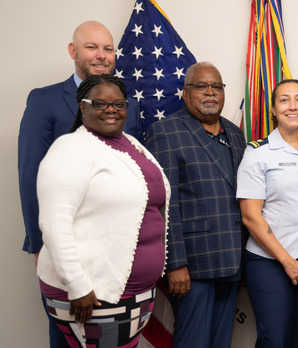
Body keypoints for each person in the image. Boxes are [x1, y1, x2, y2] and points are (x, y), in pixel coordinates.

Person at [18, 21, 143, 347]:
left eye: (108, 48)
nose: (101, 56)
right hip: (67, 243)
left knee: (114, 337)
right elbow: (30, 173)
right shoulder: (45, 101)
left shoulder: (131, 104)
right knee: (70, 335)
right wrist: (38, 241)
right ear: (73, 51)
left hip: (120, 246)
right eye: (92, 47)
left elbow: (138, 172)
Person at [36, 74, 170, 347]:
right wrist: (77, 285)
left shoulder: (133, 145)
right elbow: (54, 224)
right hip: (93, 292)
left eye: (118, 104)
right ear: (83, 107)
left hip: (133, 290)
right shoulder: (69, 149)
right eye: (100, 103)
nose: (111, 110)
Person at [145, 61, 246, 348]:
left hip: (231, 261)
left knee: (220, 342)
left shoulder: (235, 134)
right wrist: (176, 264)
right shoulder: (165, 132)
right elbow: (164, 203)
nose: (210, 92)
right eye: (201, 86)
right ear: (186, 92)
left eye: (216, 86)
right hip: (192, 266)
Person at [237, 79, 298, 348]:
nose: (293, 106)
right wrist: (287, 261)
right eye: (284, 100)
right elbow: (250, 216)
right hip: (270, 262)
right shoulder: (258, 153)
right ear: (274, 109)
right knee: (274, 340)